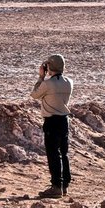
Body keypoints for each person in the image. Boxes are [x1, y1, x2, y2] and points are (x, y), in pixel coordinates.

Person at [30, 54, 73, 198]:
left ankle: (56, 186)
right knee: (63, 154)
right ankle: (64, 185)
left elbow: (34, 95)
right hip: (64, 120)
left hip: (52, 122)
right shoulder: (69, 82)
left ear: (50, 66)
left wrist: (41, 77)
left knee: (53, 154)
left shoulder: (48, 84)